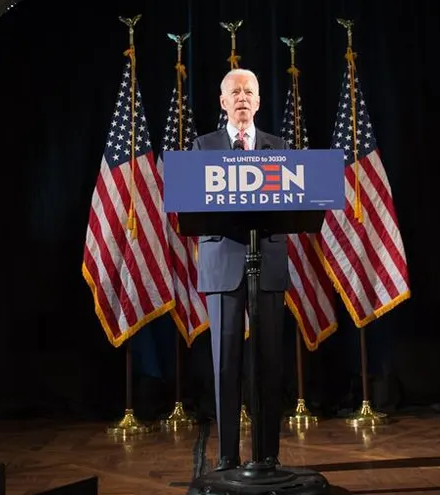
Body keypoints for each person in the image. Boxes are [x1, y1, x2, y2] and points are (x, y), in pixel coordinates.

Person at [191, 68, 289, 471]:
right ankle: (228, 457)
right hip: (223, 262)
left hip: (266, 261)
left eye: (250, 91)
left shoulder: (277, 146)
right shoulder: (203, 146)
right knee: (225, 364)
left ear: (260, 101)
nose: (243, 97)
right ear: (223, 102)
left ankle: (268, 454)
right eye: (236, 92)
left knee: (268, 363)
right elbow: (194, 200)